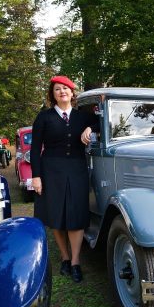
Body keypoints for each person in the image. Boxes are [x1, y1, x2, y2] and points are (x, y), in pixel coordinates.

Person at [30, 75, 99, 283]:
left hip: (77, 170)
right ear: (53, 94)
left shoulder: (82, 117)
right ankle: (65, 258)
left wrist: (90, 128)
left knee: (76, 217)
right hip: (51, 171)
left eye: (65, 88)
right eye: (57, 89)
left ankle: (76, 261)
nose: (62, 92)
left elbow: (100, 121)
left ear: (72, 93)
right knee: (56, 217)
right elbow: (35, 149)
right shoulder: (44, 117)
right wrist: (36, 176)